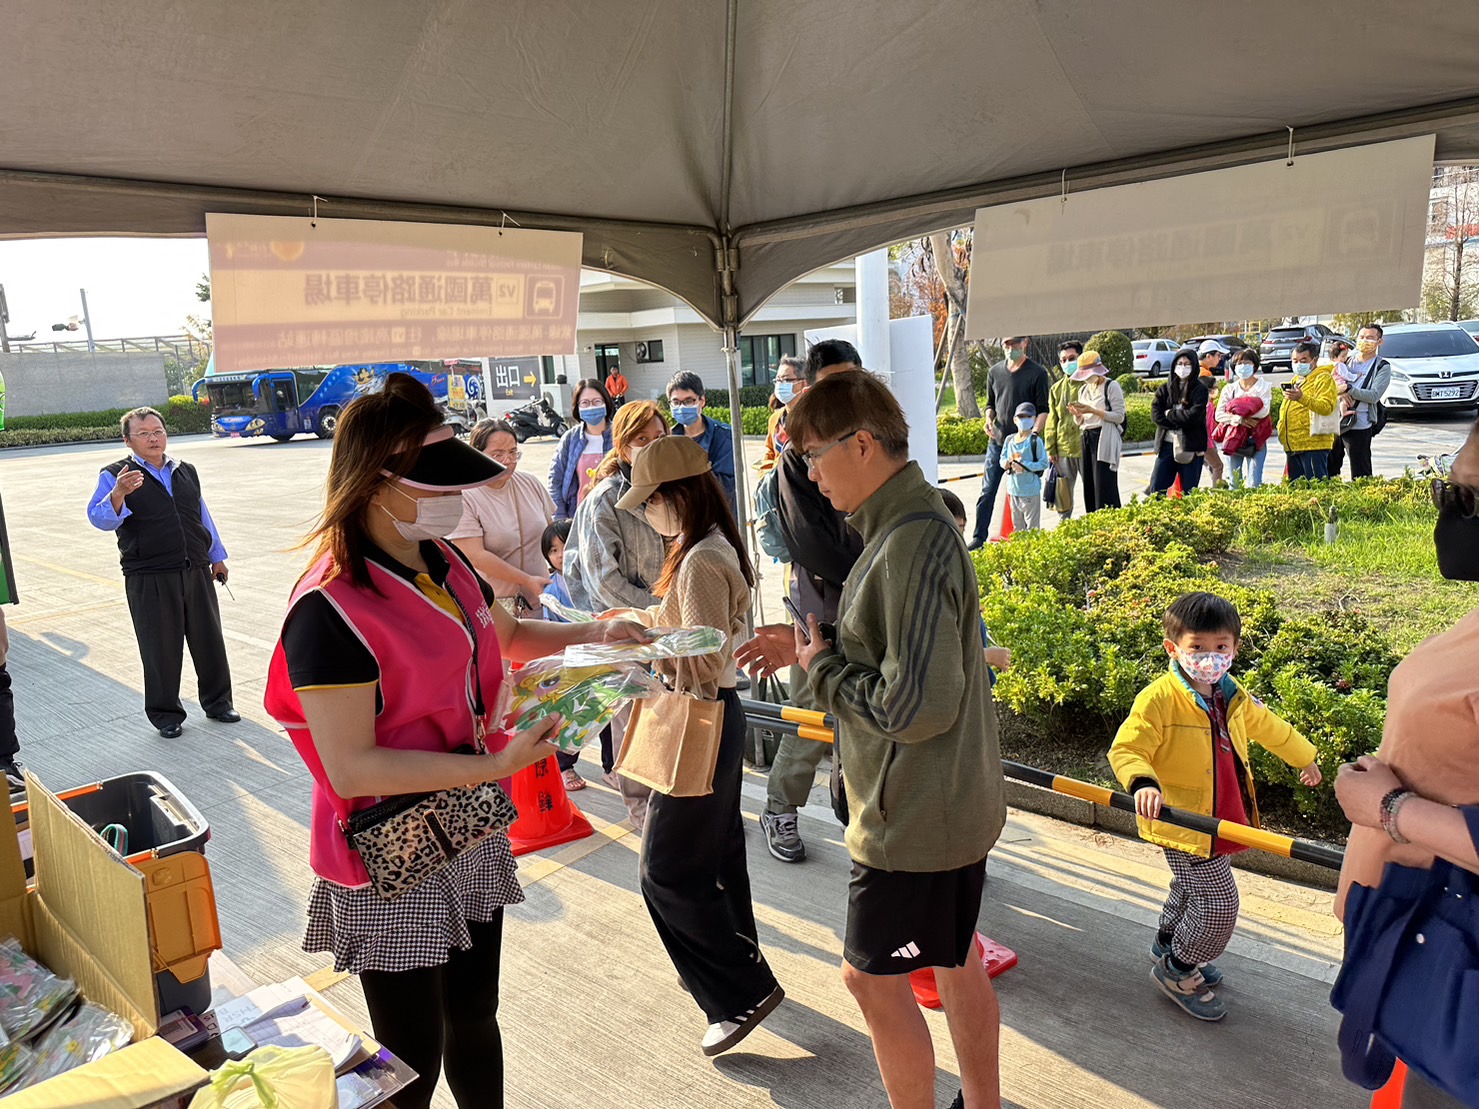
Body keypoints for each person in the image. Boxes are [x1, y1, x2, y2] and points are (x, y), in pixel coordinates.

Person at [262, 374, 646, 1109]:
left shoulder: (444, 561)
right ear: (376, 483)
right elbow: (350, 766)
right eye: (434, 484)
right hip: (389, 847)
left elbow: (504, 633)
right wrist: (495, 761)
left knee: (475, 1015)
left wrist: (597, 630)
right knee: (410, 1062)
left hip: (467, 821)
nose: (455, 499)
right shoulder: (327, 608)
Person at [739, 371, 1007, 1109]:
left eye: (812, 457)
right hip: (940, 800)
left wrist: (820, 666)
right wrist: (813, 648)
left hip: (914, 814)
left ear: (861, 444)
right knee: (955, 960)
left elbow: (915, 705)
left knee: (869, 978)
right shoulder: (904, 526)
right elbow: (897, 656)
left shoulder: (910, 540)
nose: (809, 476)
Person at [609, 434, 784, 1055]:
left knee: (665, 871)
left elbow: (705, 656)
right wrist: (638, 629)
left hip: (698, 715)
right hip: (708, 715)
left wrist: (642, 647)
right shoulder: (704, 548)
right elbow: (696, 634)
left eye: (651, 500)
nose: (647, 512)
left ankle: (737, 991)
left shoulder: (703, 557)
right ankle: (733, 965)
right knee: (713, 857)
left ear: (676, 495)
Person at [1333, 418, 1479, 1109]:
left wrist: (1390, 810)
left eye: (1468, 497)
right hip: (1415, 933)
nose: (1451, 513)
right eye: (1446, 492)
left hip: (1455, 961)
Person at [1109, 592, 1322, 1023]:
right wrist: (1143, 782)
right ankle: (1179, 968)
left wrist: (1305, 756)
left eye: (1220, 646)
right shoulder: (1160, 698)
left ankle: (1170, 943)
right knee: (1219, 903)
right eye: (1198, 647)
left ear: (1235, 648)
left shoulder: (1231, 694)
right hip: (1184, 822)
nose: (1211, 656)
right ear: (1174, 648)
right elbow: (1129, 747)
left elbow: (1272, 727)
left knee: (1190, 890)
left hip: (1222, 817)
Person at [759, 340, 865, 864]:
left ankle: (864, 816)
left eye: (854, 378)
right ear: (810, 387)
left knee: (869, 711)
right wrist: (877, 565)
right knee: (812, 711)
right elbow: (811, 541)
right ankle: (781, 806)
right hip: (819, 605)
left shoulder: (878, 435)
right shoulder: (799, 449)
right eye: (833, 382)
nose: (846, 393)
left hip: (874, 600)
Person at [86, 407, 237, 738]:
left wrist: (217, 556)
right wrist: (119, 494)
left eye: (158, 431)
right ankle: (166, 714)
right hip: (149, 575)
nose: (153, 438)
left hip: (195, 567)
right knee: (160, 647)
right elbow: (99, 518)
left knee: (209, 640)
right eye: (143, 433)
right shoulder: (115, 474)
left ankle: (219, 702)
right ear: (128, 440)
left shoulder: (185, 471)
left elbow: (201, 516)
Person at [564, 399, 670, 812]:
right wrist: (657, 612)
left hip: (664, 628)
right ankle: (642, 810)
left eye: (658, 438)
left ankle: (670, 803)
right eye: (641, 439)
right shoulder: (603, 499)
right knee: (631, 723)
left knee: (666, 719)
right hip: (619, 628)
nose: (651, 446)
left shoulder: (675, 488)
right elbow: (602, 580)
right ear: (623, 446)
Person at [449, 419, 555, 612]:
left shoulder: (529, 483)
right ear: (476, 455)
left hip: (541, 597)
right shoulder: (464, 496)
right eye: (498, 454)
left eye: (513, 452)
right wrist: (526, 580)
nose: (508, 460)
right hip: (497, 606)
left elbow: (551, 533)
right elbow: (475, 556)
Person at [969, 335, 1050, 549]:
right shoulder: (994, 372)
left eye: (1015, 343)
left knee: (1025, 494)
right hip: (998, 441)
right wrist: (988, 419)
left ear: (1025, 343)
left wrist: (1033, 436)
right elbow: (990, 404)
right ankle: (978, 537)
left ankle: (1028, 542)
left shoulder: (1037, 373)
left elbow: (1043, 409)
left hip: (1024, 444)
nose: (1010, 347)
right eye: (1006, 343)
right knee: (988, 490)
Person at [939, 486, 1013, 677]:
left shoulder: (953, 568)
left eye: (962, 530)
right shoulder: (930, 581)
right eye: (952, 531)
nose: (959, 541)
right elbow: (935, 652)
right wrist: (986, 655)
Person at [665, 371, 736, 510]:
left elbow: (726, 487)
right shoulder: (668, 440)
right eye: (676, 402)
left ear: (702, 401)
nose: (682, 407)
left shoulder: (723, 436)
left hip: (718, 519)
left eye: (688, 401)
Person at [1329, 325, 1391, 480]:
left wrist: (1348, 388)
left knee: (1361, 473)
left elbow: (1374, 396)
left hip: (1360, 423)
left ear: (1379, 341)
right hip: (1336, 421)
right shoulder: (1345, 360)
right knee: (1329, 469)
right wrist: (1340, 393)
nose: (1365, 341)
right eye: (1362, 337)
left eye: (1370, 338)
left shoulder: (1382, 367)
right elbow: (1328, 387)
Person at [548, 379, 615, 518]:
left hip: (614, 517)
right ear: (577, 407)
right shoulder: (570, 439)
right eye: (585, 403)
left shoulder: (620, 436)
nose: (591, 407)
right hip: (579, 516)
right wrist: (560, 519)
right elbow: (556, 482)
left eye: (597, 401)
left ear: (606, 403)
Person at [1067, 352, 1125, 512]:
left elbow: (1119, 416)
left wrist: (1093, 410)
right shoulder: (1084, 390)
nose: (1087, 378)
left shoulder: (1111, 386)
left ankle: (1110, 521)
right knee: (1090, 485)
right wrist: (1078, 415)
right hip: (1086, 436)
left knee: (1104, 484)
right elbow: (1081, 421)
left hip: (1104, 437)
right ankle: (1093, 520)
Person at [1150, 349, 1209, 494]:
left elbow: (1194, 416)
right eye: (1180, 363)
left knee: (1189, 492)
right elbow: (1156, 414)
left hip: (1191, 446)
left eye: (1187, 364)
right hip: (1167, 445)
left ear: (1194, 366)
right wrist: (1178, 420)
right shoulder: (1164, 389)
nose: (1183, 367)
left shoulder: (1200, 390)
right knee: (1157, 488)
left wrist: (1170, 413)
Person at [1278, 340, 1338, 482]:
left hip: (1313, 445)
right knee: (1296, 490)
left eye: (1303, 360)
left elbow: (1326, 407)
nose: (1299, 364)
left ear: (1314, 360)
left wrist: (1302, 398)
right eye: (1295, 360)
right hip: (1293, 444)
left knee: (1316, 488)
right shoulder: (1297, 380)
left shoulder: (1323, 378)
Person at [1214, 348, 1274, 489]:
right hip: (1233, 439)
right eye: (1239, 363)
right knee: (1234, 482)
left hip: (1256, 437)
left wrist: (1234, 409)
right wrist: (1240, 419)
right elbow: (1219, 414)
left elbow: (1263, 411)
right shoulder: (1230, 389)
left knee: (1255, 482)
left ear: (1254, 365)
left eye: (1246, 362)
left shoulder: (1264, 386)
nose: (1243, 366)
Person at [1043, 340, 1084, 521]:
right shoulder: (1056, 389)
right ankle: (1064, 525)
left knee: (1093, 490)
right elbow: (1052, 420)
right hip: (1063, 449)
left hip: (1085, 448)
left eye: (1072, 358)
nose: (1067, 363)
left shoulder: (1089, 383)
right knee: (1063, 494)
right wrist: (1051, 448)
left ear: (1080, 358)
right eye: (1063, 360)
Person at [1001, 402, 1048, 531]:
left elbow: (1044, 463)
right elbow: (1002, 458)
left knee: (1032, 529)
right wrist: (1006, 464)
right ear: (1015, 420)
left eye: (1028, 417)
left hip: (1030, 491)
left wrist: (1024, 466)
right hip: (1013, 490)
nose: (1024, 420)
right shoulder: (1009, 440)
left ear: (1034, 419)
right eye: (1021, 416)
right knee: (1017, 528)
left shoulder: (1035, 441)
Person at [759, 355, 806, 474]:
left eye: (786, 380)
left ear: (803, 383)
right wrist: (765, 475)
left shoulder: (813, 418)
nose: (780, 385)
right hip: (778, 486)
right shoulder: (775, 419)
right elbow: (770, 452)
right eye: (777, 380)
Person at [539, 519, 574, 623]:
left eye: (566, 547)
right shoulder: (550, 591)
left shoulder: (593, 577)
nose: (561, 555)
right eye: (554, 550)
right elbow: (551, 627)